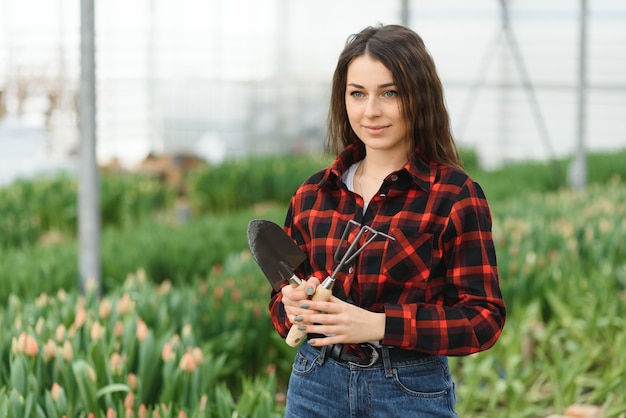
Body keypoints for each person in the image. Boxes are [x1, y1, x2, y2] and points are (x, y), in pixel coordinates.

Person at [269, 24, 506, 418]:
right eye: (357, 93)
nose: (371, 110)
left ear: (419, 96)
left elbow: (483, 319)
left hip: (408, 390)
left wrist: (379, 324)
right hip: (316, 384)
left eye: (389, 93)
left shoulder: (453, 197)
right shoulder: (312, 197)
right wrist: (293, 305)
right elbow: (280, 302)